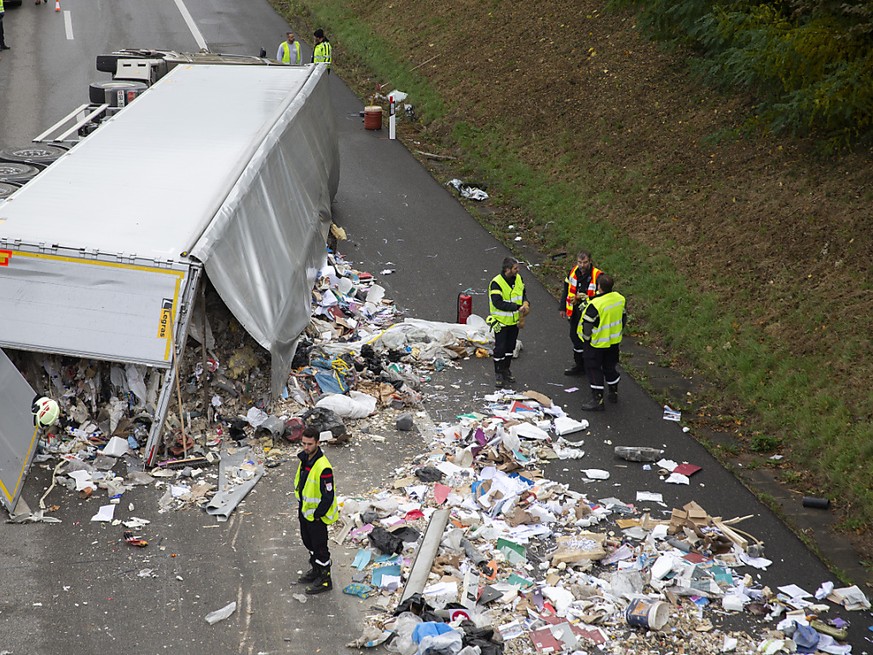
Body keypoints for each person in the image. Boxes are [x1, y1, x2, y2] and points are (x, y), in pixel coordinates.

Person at [294, 426, 339, 594]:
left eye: (310, 444)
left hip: (316, 516)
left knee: (320, 548)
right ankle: (316, 571)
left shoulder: (323, 467)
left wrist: (318, 515)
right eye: (304, 443)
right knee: (309, 543)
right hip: (305, 512)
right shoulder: (305, 459)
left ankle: (325, 580)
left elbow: (328, 495)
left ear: (318, 443)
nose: (306, 447)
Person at [577, 273, 626, 411]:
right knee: (610, 367)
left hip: (596, 343)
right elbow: (623, 317)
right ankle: (613, 392)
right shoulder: (619, 299)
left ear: (599, 287)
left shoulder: (595, 304)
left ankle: (597, 400)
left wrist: (587, 339)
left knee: (593, 369)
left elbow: (587, 323)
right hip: (613, 341)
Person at [487, 257, 529, 388]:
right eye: (515, 268)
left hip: (513, 321)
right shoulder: (496, 283)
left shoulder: (518, 279)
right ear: (507, 269)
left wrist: (526, 302)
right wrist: (517, 307)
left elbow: (522, 294)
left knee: (510, 347)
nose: (518, 270)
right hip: (500, 322)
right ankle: (498, 372)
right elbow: (497, 303)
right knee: (500, 348)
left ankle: (506, 369)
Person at [560, 251, 603, 376]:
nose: (582, 265)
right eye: (579, 262)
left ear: (590, 261)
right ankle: (579, 365)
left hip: (589, 314)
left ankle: (590, 366)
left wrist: (584, 298)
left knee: (588, 340)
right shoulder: (573, 272)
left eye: (585, 262)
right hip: (574, 312)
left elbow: (602, 296)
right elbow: (566, 290)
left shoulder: (598, 276)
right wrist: (562, 307)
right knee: (574, 337)